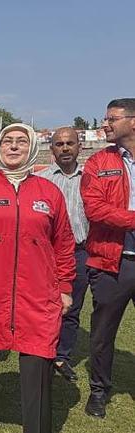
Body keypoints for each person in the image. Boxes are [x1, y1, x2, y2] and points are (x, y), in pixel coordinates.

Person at [0, 123, 75, 432]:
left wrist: (64, 288)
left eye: (20, 142)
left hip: (37, 294)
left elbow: (63, 243)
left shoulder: (49, 192)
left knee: (38, 357)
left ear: (32, 148)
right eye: (7, 141)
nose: (13, 146)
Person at [80, 98, 135, 418]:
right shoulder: (99, 162)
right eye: (105, 118)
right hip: (112, 261)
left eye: (112, 119)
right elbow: (95, 209)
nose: (105, 124)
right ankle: (99, 391)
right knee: (102, 333)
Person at [36, 127, 88, 383]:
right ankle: (41, 350)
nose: (65, 148)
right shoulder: (42, 180)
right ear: (52, 149)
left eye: (70, 143)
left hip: (82, 251)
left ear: (80, 146)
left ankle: (62, 355)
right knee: (45, 305)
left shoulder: (91, 177)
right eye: (59, 144)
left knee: (72, 306)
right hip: (48, 254)